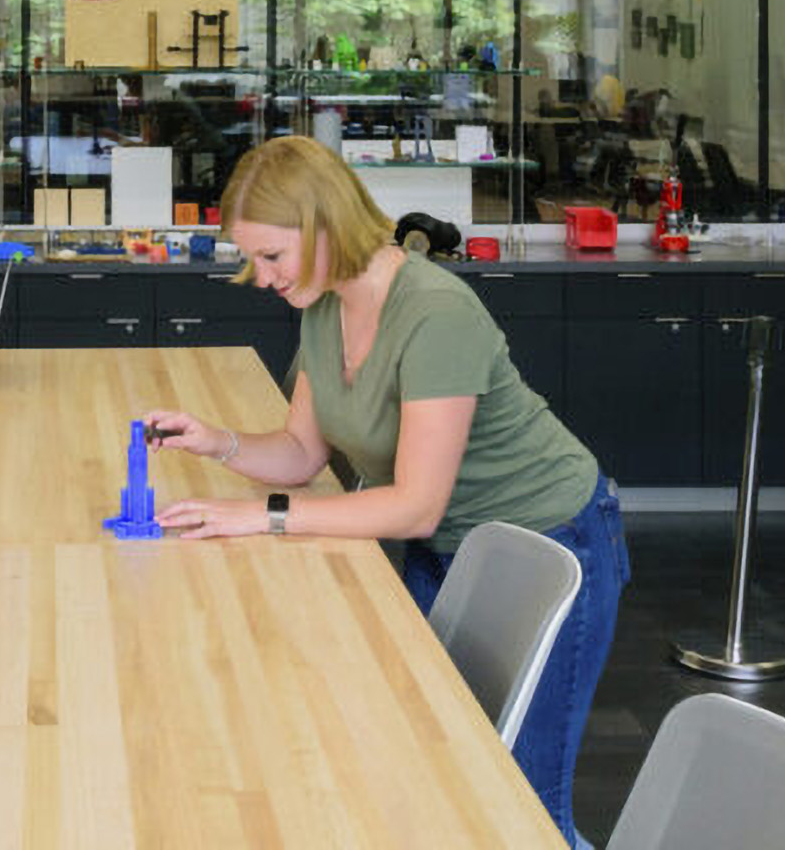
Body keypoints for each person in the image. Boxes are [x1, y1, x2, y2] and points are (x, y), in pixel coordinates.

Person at [148, 135, 626, 845]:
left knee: (521, 803)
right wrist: (217, 440)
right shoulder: (324, 305)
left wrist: (262, 516)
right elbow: (303, 449)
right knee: (442, 765)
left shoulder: (435, 312)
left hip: (551, 540)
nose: (264, 276)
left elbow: (413, 502)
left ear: (325, 225)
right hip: (450, 547)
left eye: (272, 255)